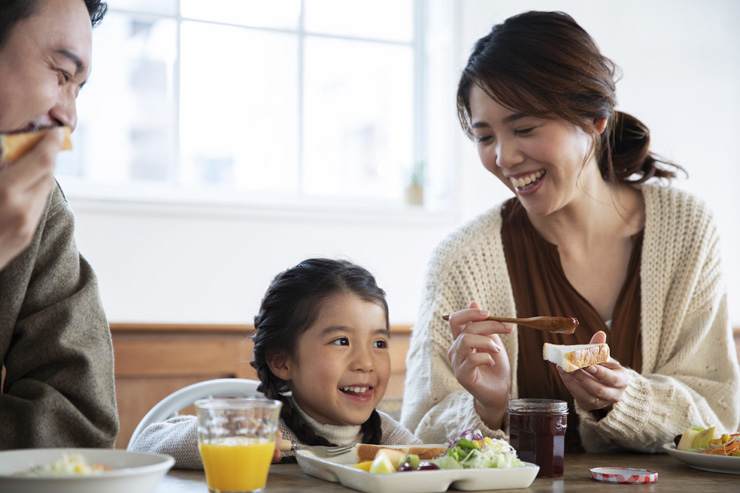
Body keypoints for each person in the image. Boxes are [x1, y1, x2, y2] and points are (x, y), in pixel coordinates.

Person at [401, 10, 740, 453]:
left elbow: (720, 418)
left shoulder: (686, 230)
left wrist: (625, 400)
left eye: (524, 128)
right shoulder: (461, 259)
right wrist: (487, 409)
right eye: (485, 137)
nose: (503, 157)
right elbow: (414, 438)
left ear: (594, 119)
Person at [130, 258, 420, 468]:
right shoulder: (265, 427)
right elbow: (145, 444)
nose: (366, 362)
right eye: (342, 341)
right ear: (282, 362)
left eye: (379, 344)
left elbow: (435, 466)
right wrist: (227, 432)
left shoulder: (387, 436)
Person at [0, 0, 118, 449]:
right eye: (61, 74)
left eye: (79, 88)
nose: (69, 118)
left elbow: (79, 421)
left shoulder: (36, 204)